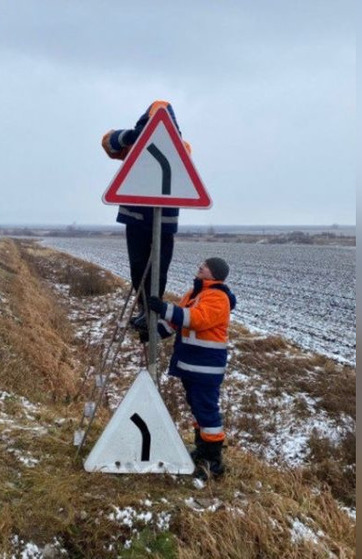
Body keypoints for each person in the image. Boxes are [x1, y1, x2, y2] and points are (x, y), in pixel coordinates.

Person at [101, 100, 192, 328]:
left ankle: (153, 311)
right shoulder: (134, 145)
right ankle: (144, 309)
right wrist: (135, 136)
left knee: (158, 269)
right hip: (136, 217)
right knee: (138, 266)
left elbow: (185, 159)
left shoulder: (180, 146)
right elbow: (108, 143)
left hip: (164, 220)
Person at [147, 257, 236, 480]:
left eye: (205, 265)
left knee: (206, 410)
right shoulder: (194, 293)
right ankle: (202, 451)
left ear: (213, 274)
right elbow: (177, 322)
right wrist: (151, 332)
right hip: (191, 364)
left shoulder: (218, 297)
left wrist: (164, 308)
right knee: (197, 408)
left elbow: (196, 319)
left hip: (206, 366)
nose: (200, 266)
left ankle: (213, 462)